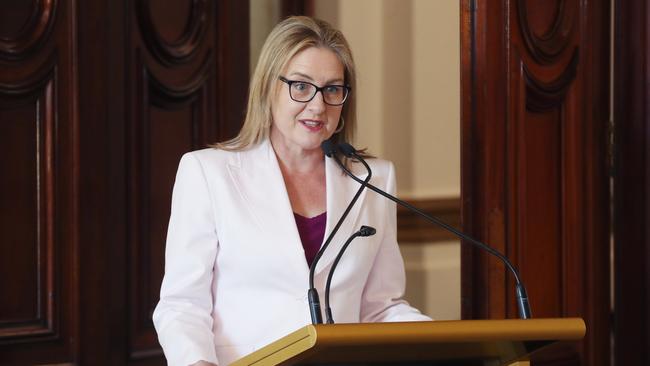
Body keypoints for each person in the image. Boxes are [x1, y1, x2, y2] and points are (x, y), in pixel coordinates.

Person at [152, 16, 430, 366]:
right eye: (301, 86)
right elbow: (182, 305)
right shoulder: (207, 173)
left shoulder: (373, 179)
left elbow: (379, 307)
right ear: (269, 87)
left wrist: (455, 345)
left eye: (332, 89)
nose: (317, 106)